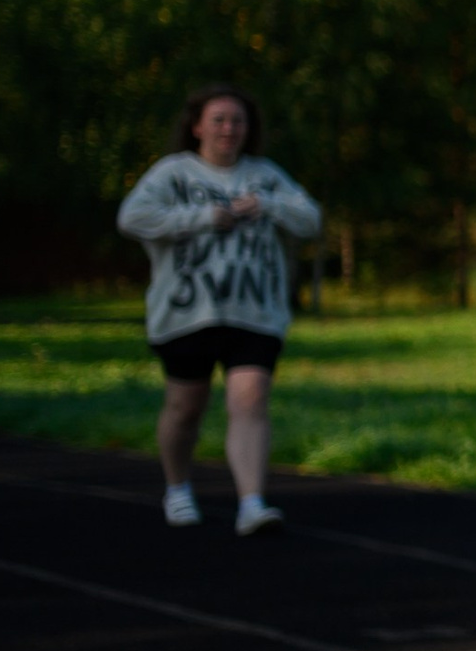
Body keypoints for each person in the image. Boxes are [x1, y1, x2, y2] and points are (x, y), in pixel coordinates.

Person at [117, 86, 322, 537]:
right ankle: (178, 488)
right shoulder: (172, 174)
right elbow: (132, 217)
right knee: (185, 407)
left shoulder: (265, 176)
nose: (229, 129)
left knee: (250, 398)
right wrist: (203, 217)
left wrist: (268, 206)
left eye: (238, 121)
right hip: (187, 312)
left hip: (255, 311)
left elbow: (311, 218)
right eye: (219, 120)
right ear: (196, 127)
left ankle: (252, 502)